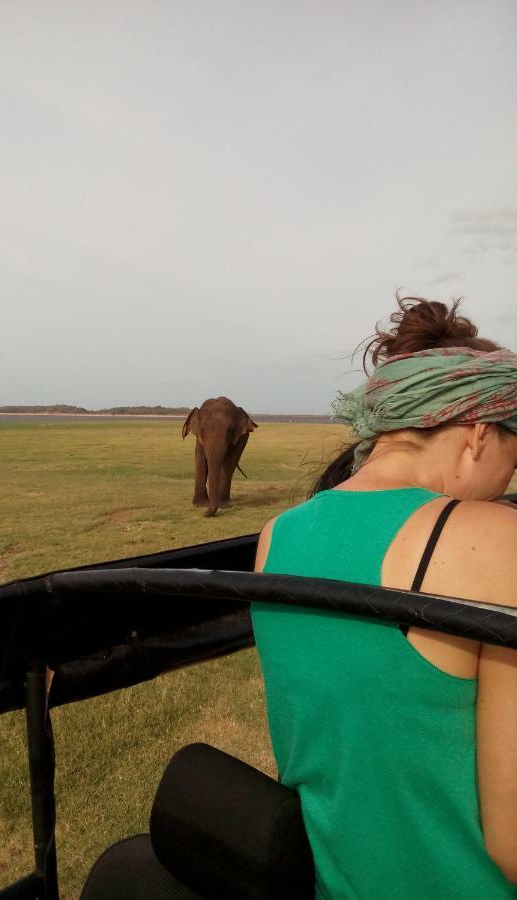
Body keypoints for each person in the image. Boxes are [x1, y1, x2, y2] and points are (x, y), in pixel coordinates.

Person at [251, 296, 517, 899]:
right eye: (513, 456)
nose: (507, 484)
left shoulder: (278, 537)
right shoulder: (496, 540)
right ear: (477, 433)